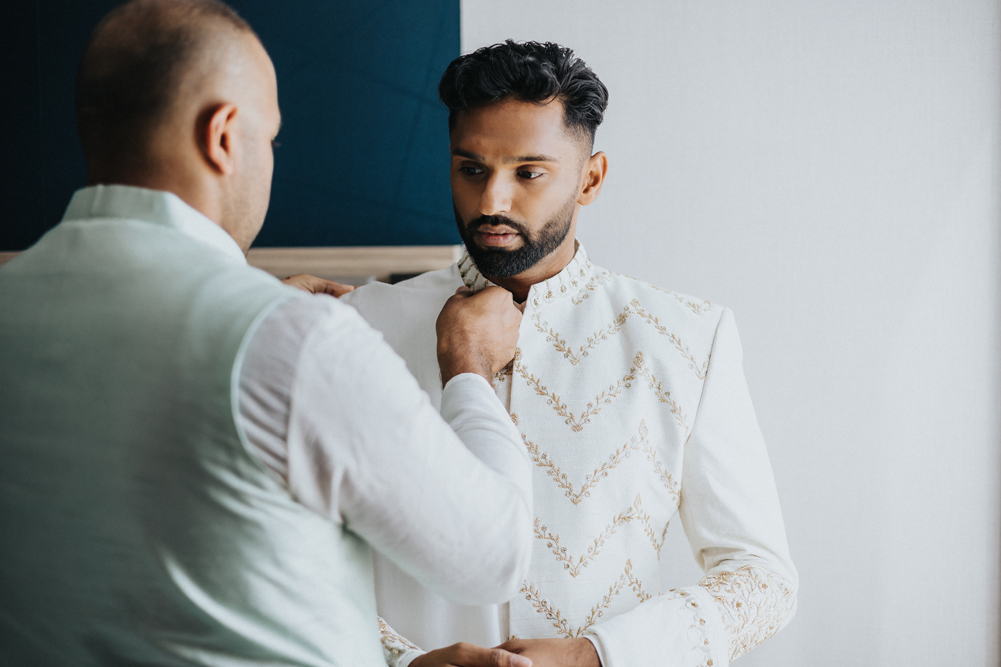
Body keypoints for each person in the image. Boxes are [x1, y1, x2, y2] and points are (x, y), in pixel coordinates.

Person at [0, 4, 537, 666]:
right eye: (272, 138)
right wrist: (469, 364)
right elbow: (493, 553)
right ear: (224, 135)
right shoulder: (291, 339)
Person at [341, 41, 798, 667]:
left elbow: (762, 579)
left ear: (591, 178)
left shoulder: (688, 338)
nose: (492, 201)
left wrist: (597, 655)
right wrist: (404, 662)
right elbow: (292, 556)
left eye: (528, 172)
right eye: (471, 168)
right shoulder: (357, 329)